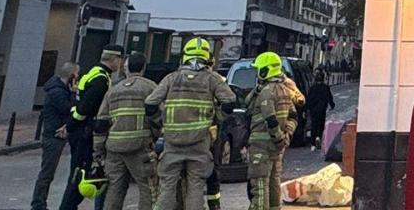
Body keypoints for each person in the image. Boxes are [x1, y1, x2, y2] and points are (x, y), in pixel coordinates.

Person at [147, 38, 234, 210]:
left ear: (184, 56)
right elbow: (230, 102)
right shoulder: (212, 79)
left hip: (172, 143)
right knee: (195, 187)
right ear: (208, 58)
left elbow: (150, 104)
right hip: (199, 143)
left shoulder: (171, 79)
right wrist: (217, 117)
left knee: (167, 188)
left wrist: (161, 121)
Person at [59, 46, 125, 210]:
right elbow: (85, 108)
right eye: (121, 60)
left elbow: (78, 103)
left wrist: (70, 125)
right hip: (85, 133)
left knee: (78, 174)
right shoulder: (101, 80)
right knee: (80, 176)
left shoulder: (93, 72)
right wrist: (71, 126)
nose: (121, 64)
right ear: (114, 60)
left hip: (79, 130)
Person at [101, 52, 158, 210]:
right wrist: (154, 135)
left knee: (115, 189)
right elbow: (158, 116)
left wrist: (98, 150)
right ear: (143, 68)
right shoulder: (151, 88)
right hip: (140, 148)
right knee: (148, 188)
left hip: (114, 148)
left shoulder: (113, 91)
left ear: (125, 68)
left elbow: (101, 123)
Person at [244, 53, 295, 210]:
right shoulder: (286, 90)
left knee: (260, 185)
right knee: (274, 182)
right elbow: (293, 116)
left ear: (265, 71)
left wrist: (278, 138)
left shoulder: (267, 92)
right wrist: (287, 136)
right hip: (276, 148)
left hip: (262, 146)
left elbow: (270, 119)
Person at [33, 63, 80, 210]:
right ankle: (38, 204)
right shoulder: (57, 92)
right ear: (72, 76)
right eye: (77, 74)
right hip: (54, 135)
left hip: (57, 133)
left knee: (48, 172)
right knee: (47, 172)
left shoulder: (59, 89)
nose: (78, 77)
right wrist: (73, 92)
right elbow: (69, 109)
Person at [304, 74, 333, 152]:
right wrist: (332, 105)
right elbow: (329, 97)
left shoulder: (312, 88)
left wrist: (305, 109)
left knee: (314, 126)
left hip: (313, 110)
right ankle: (319, 137)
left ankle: (313, 144)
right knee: (321, 125)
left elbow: (308, 99)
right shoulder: (326, 87)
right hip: (322, 109)